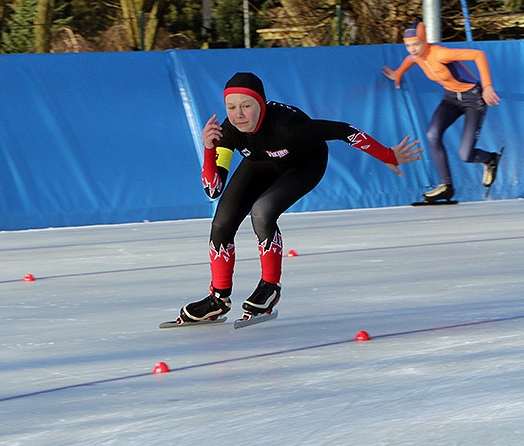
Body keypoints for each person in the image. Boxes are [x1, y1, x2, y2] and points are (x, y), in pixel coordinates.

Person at [172, 72, 423, 325]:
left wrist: (388, 155)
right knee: (221, 223)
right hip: (261, 163)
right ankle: (218, 299)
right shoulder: (229, 131)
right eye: (231, 107)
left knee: (262, 211)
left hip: (304, 165)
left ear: (261, 104)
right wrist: (209, 149)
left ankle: (270, 287)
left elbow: (345, 131)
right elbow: (213, 190)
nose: (238, 114)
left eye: (246, 106)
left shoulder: (290, 125)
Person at [382, 21, 502, 203]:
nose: (412, 49)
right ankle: (446, 186)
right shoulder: (417, 56)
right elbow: (409, 60)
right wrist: (398, 74)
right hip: (451, 98)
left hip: (473, 98)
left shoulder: (440, 54)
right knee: (432, 134)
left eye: (416, 44)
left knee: (466, 155)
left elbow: (479, 55)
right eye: (408, 45)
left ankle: (490, 159)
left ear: (425, 41)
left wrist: (487, 86)